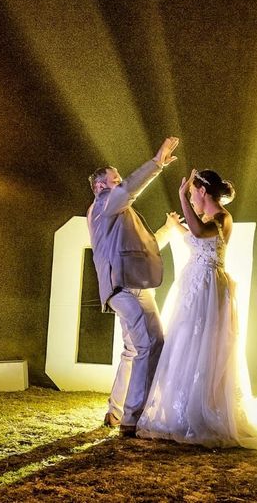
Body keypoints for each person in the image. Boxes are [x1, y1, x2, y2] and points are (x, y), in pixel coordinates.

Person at [137, 169, 257, 451]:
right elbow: (196, 237)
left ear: (201, 191)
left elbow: (200, 233)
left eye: (192, 194)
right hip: (194, 285)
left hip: (208, 288)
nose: (191, 200)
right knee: (187, 343)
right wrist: (176, 226)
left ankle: (204, 411)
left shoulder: (222, 217)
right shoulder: (206, 220)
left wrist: (180, 198)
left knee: (206, 346)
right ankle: (182, 409)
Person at [87, 137, 180, 437]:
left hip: (129, 286)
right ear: (101, 187)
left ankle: (117, 412)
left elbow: (148, 245)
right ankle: (134, 416)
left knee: (132, 349)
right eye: (114, 180)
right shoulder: (105, 203)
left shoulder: (116, 213)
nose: (120, 183)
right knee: (150, 345)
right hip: (127, 288)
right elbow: (130, 188)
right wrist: (156, 163)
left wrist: (168, 228)